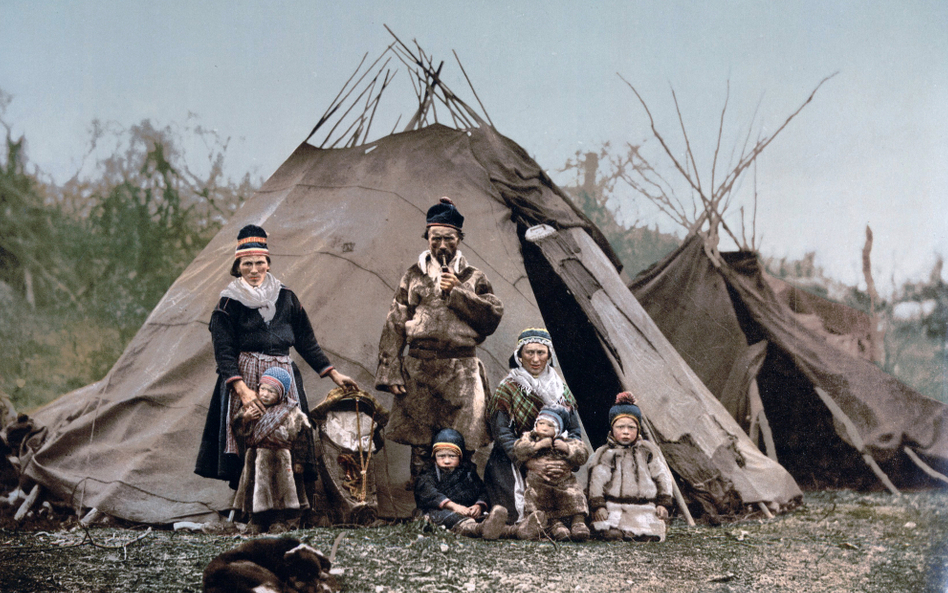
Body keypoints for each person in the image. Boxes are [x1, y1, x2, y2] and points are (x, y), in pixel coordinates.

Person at [195, 224, 357, 491]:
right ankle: (248, 507)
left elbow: (306, 340)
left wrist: (333, 374)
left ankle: (288, 503)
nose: (254, 270)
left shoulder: (286, 298)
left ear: (268, 264)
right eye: (247, 264)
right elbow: (223, 353)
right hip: (245, 377)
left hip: (283, 377)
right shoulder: (227, 303)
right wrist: (242, 391)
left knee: (289, 434)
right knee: (247, 435)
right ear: (238, 267)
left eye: (260, 263)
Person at [376, 197, 504, 485]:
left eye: (449, 238)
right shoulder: (413, 275)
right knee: (422, 442)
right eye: (436, 239)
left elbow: (491, 318)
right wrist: (391, 370)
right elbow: (395, 323)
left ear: (459, 239)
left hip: (462, 369)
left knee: (462, 442)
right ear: (427, 238)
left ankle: (460, 500)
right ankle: (425, 506)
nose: (443, 245)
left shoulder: (474, 277)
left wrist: (459, 292)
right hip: (420, 368)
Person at [484, 328, 582, 526]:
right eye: (529, 352)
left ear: (549, 355)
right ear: (520, 355)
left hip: (554, 457)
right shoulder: (507, 388)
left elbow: (574, 431)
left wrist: (566, 461)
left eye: (541, 352)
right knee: (515, 516)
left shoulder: (561, 390)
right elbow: (501, 433)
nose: (535, 359)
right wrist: (528, 462)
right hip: (513, 459)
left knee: (566, 510)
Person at [231, 367, 313, 533]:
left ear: (281, 394)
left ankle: (279, 521)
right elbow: (237, 431)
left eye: (271, 391)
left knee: (280, 491)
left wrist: (299, 461)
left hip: (280, 459)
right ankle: (256, 521)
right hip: (255, 457)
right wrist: (245, 419)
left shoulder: (291, 412)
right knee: (254, 489)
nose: (265, 394)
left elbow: (302, 437)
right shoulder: (251, 407)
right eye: (262, 389)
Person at [587, 392, 674, 542]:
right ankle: (617, 532)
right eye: (620, 427)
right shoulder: (606, 453)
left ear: (638, 429)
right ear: (612, 429)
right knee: (608, 529)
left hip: (644, 506)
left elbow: (662, 476)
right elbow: (597, 480)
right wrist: (598, 506)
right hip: (614, 506)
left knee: (651, 531)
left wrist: (663, 503)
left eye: (631, 427)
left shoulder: (647, 451)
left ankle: (641, 532)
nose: (626, 432)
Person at [413, 428, 517, 540]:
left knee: (486, 518)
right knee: (443, 517)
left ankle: (517, 531)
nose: (446, 461)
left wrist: (479, 506)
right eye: (441, 456)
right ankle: (480, 530)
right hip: (441, 512)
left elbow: (482, 490)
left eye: (452, 456)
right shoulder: (428, 474)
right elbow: (430, 493)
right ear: (434, 457)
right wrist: (455, 507)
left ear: (460, 457)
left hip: (466, 512)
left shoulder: (467, 472)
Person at [512, 405, 590, 541]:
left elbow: (582, 454)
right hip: (540, 483)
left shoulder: (565, 441)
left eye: (550, 425)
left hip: (564, 481)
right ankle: (555, 525)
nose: (544, 427)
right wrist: (538, 446)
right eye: (541, 423)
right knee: (541, 500)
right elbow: (519, 450)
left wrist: (566, 449)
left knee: (574, 494)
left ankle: (578, 522)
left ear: (558, 429)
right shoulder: (529, 439)